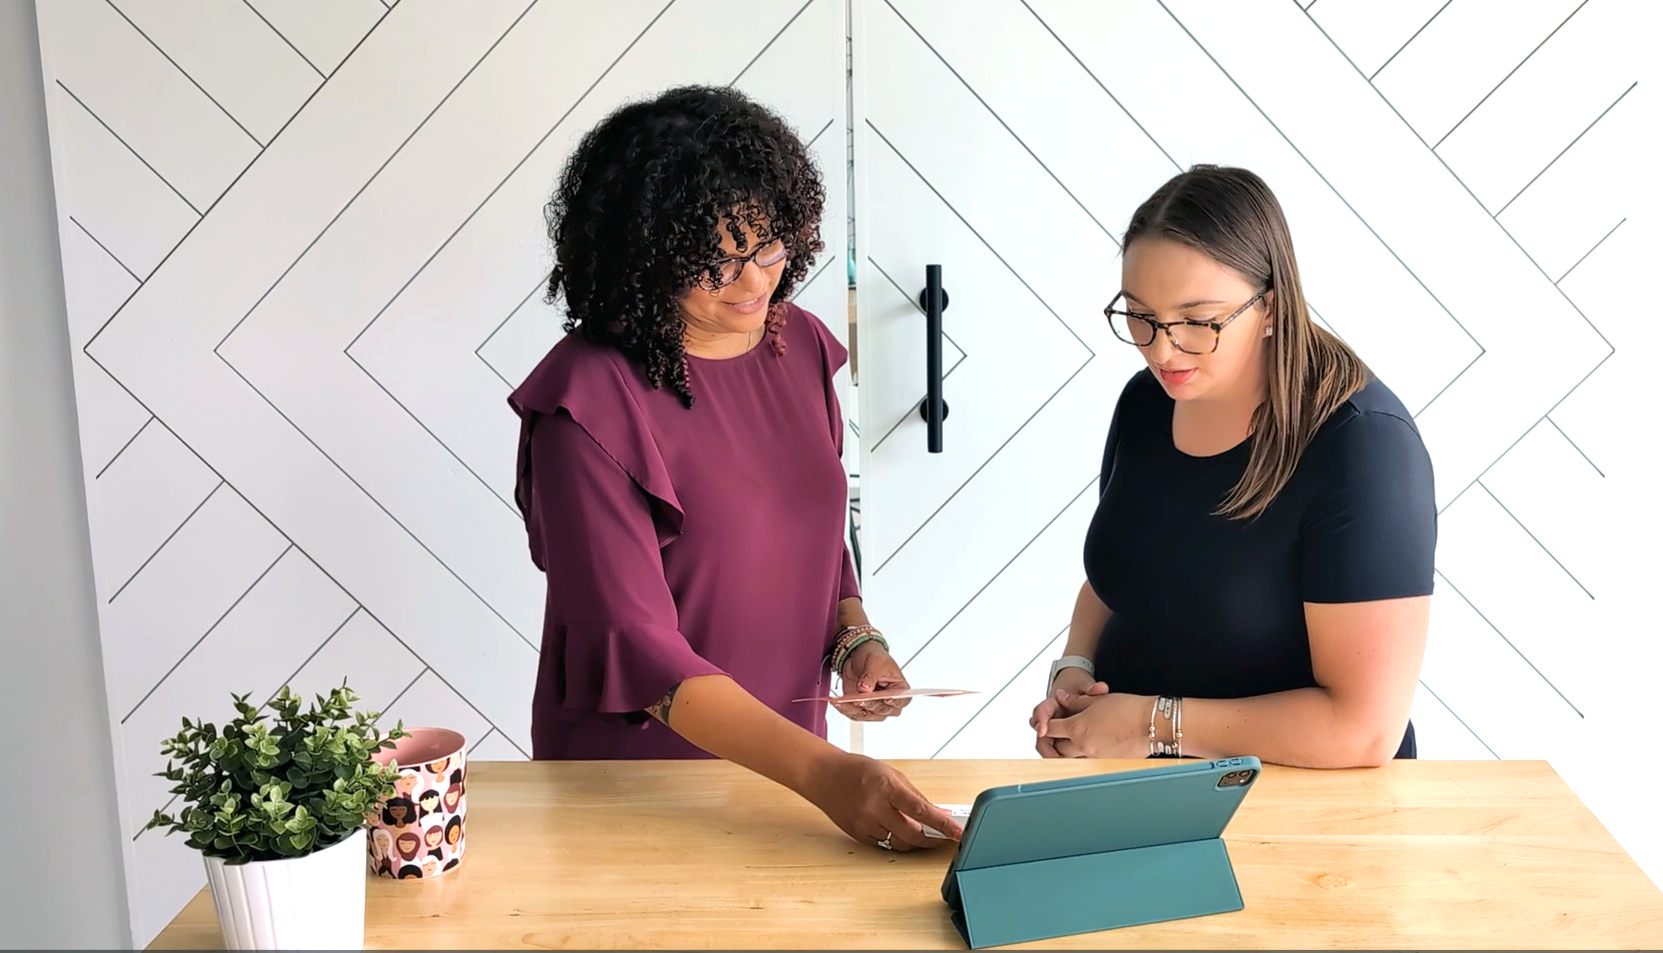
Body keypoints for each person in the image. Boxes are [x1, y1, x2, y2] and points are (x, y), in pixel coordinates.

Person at [508, 85, 960, 852]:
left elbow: (816, 529)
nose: (755, 282)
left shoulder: (799, 343)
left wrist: (854, 638)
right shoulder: (585, 403)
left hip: (791, 769)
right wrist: (825, 774)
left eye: (768, 246)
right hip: (641, 787)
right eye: (716, 263)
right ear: (642, 258)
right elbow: (634, 648)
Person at [1031, 165, 1436, 768]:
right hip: (1134, 787)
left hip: (1303, 808)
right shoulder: (1149, 401)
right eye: (1140, 315)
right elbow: (1120, 572)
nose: (1162, 349)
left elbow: (1364, 730)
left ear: (1270, 306)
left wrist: (1149, 724)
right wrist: (1075, 671)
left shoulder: (1362, 447)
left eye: (1198, 321)